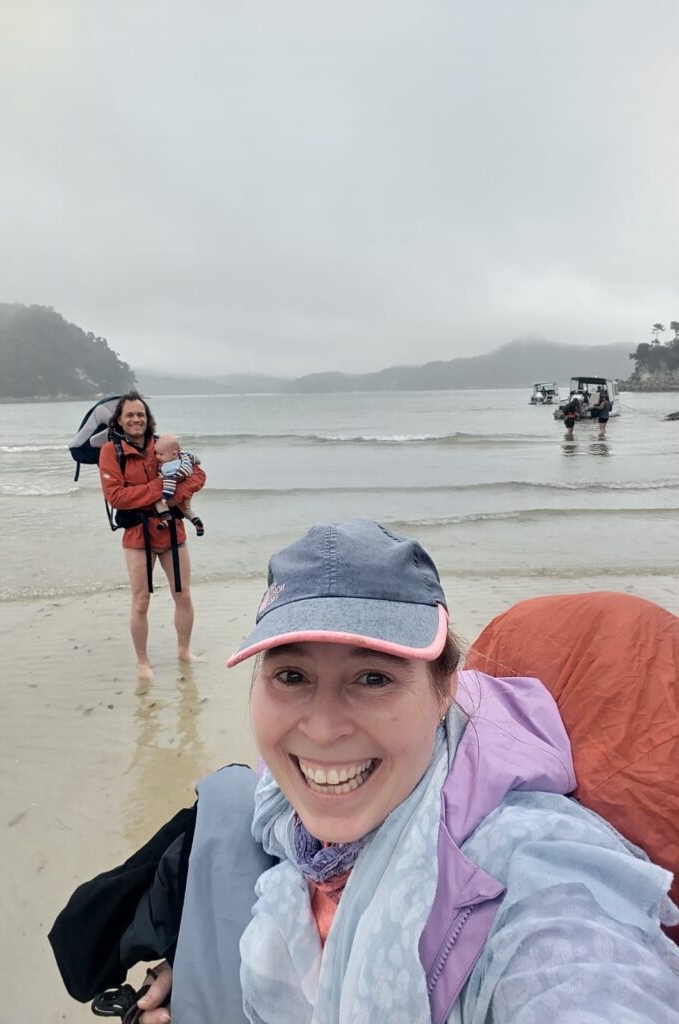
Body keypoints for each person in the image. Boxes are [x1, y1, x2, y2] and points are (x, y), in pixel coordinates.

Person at [50, 521, 679, 1023]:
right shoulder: (281, 815)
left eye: (373, 677)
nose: (323, 730)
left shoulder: (530, 867)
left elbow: (581, 973)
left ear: (444, 691)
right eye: (291, 675)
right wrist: (199, 968)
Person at [98, 392, 206, 674]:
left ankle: (184, 651)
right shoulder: (111, 452)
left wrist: (175, 495)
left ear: (148, 419)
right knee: (141, 601)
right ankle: (143, 661)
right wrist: (160, 488)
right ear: (119, 420)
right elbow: (117, 497)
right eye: (130, 415)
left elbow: (197, 474)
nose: (136, 419)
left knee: (183, 594)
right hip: (137, 535)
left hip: (172, 531)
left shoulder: (163, 446)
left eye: (141, 414)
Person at [153, 433, 205, 537]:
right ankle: (196, 521)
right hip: (187, 493)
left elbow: (170, 485)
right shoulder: (184, 455)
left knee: (158, 502)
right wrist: (197, 461)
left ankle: (166, 519)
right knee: (187, 509)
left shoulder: (170, 469)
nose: (157, 456)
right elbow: (195, 458)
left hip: (175, 491)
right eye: (156, 453)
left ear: (173, 454)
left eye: (161, 454)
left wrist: (166, 497)